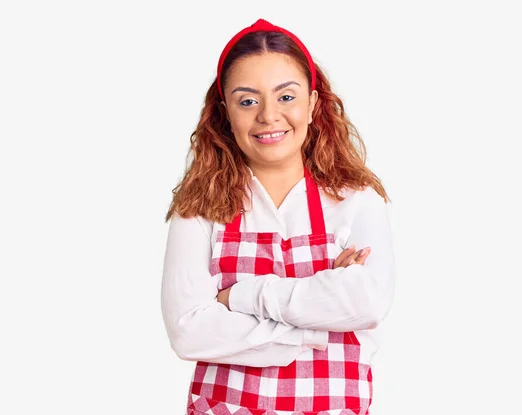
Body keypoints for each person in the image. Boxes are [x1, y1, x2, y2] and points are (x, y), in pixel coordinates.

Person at [161, 18, 396, 415]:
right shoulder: (199, 208)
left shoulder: (357, 201)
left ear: (313, 104)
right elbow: (188, 332)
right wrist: (319, 321)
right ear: (226, 114)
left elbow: (367, 304)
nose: (269, 116)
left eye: (286, 97)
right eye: (248, 100)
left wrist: (238, 297)